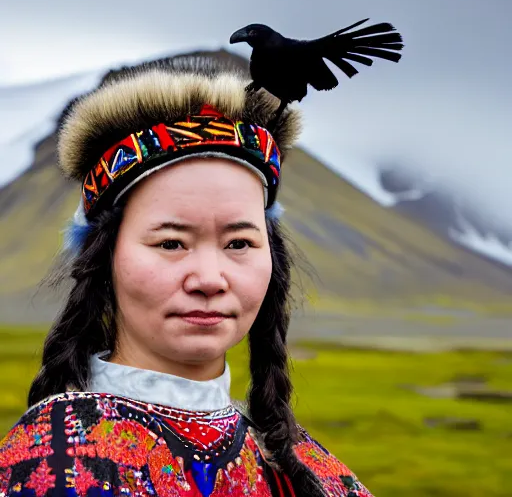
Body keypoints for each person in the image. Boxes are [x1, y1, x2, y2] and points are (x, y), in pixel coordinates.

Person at [0, 55, 373, 497]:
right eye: (171, 243)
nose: (210, 279)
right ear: (105, 258)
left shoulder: (312, 474)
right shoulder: (55, 463)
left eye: (239, 244)